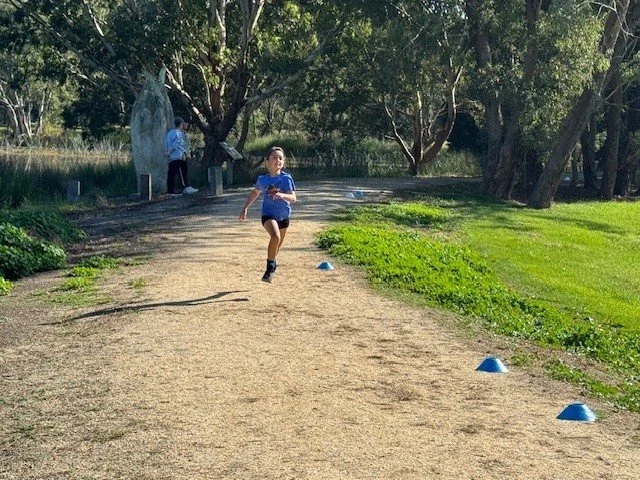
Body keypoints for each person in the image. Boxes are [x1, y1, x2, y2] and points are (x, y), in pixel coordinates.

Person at [239, 146, 297, 282]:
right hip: (268, 215)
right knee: (275, 237)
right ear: (267, 162)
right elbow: (255, 192)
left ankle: (272, 264)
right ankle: (269, 268)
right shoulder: (262, 179)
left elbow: (293, 198)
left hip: (284, 217)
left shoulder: (286, 179)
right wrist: (245, 208)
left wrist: (282, 195)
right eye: (274, 157)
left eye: (280, 158)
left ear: (283, 162)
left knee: (276, 247)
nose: (278, 160)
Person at [164, 117, 198, 195]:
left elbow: (167, 143)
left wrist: (167, 152)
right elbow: (176, 144)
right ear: (181, 124)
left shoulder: (170, 133)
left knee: (172, 173)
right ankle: (180, 189)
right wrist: (182, 153)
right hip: (177, 156)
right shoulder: (178, 133)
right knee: (180, 172)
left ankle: (173, 190)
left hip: (173, 156)